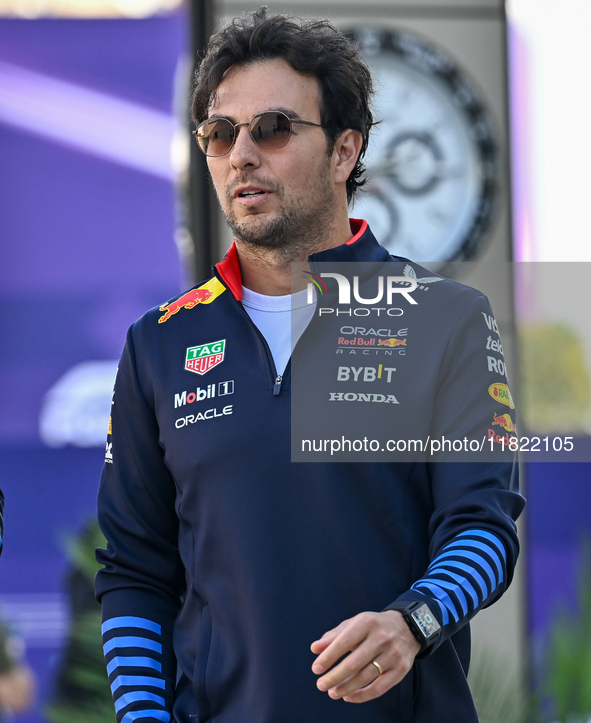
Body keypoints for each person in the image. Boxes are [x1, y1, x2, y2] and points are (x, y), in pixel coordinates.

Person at [95, 8, 524, 723]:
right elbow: (136, 571)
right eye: (219, 133)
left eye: (272, 129)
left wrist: (411, 621)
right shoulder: (159, 344)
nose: (241, 155)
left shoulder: (443, 316)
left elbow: (482, 528)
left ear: (343, 151)